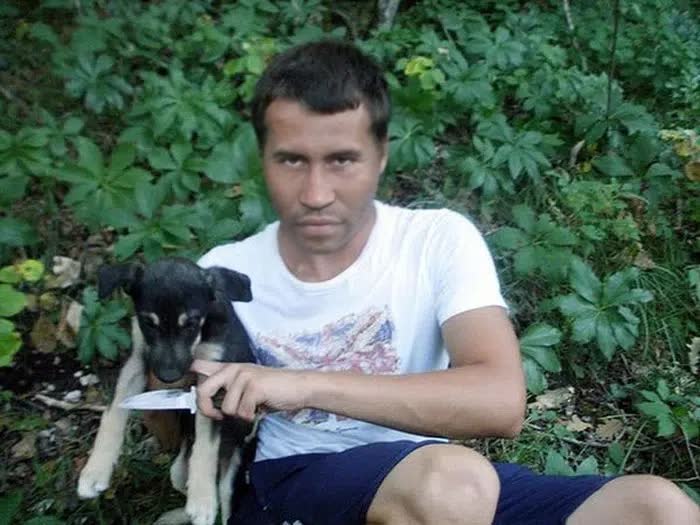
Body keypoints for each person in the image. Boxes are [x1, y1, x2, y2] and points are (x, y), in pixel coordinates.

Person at [194, 40, 700, 525]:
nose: (316, 193)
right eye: (292, 160)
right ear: (263, 157)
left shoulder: (436, 239)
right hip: (295, 482)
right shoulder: (222, 271)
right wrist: (167, 369)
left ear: (381, 155)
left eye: (342, 160)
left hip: (433, 483)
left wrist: (303, 384)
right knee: (451, 483)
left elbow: (499, 402)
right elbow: (178, 427)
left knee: (657, 509)